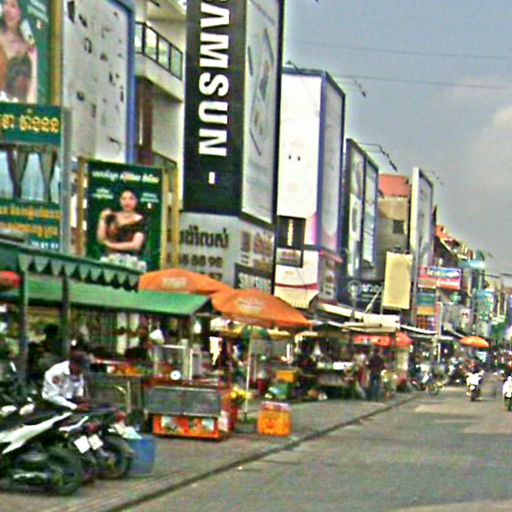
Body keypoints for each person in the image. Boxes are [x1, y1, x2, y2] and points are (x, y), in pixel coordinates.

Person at [0, 0, 38, 102]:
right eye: (5, 4)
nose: (8, 10)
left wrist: (34, 60)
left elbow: (31, 99)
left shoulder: (27, 50)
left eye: (13, 6)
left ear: (21, 12)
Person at [96, 188, 147, 256]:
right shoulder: (111, 216)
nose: (127, 202)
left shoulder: (141, 220)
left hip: (130, 259)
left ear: (136, 201)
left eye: (131, 199)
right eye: (123, 199)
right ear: (119, 200)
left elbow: (135, 246)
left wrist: (110, 245)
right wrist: (102, 219)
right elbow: (101, 240)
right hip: (109, 257)